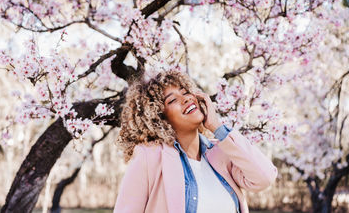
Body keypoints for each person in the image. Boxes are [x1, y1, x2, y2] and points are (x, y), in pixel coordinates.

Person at [114, 70, 278, 213]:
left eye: (185, 92)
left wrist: (217, 127)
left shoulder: (222, 154)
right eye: (172, 100)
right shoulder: (149, 157)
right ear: (159, 117)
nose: (185, 99)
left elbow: (264, 177)